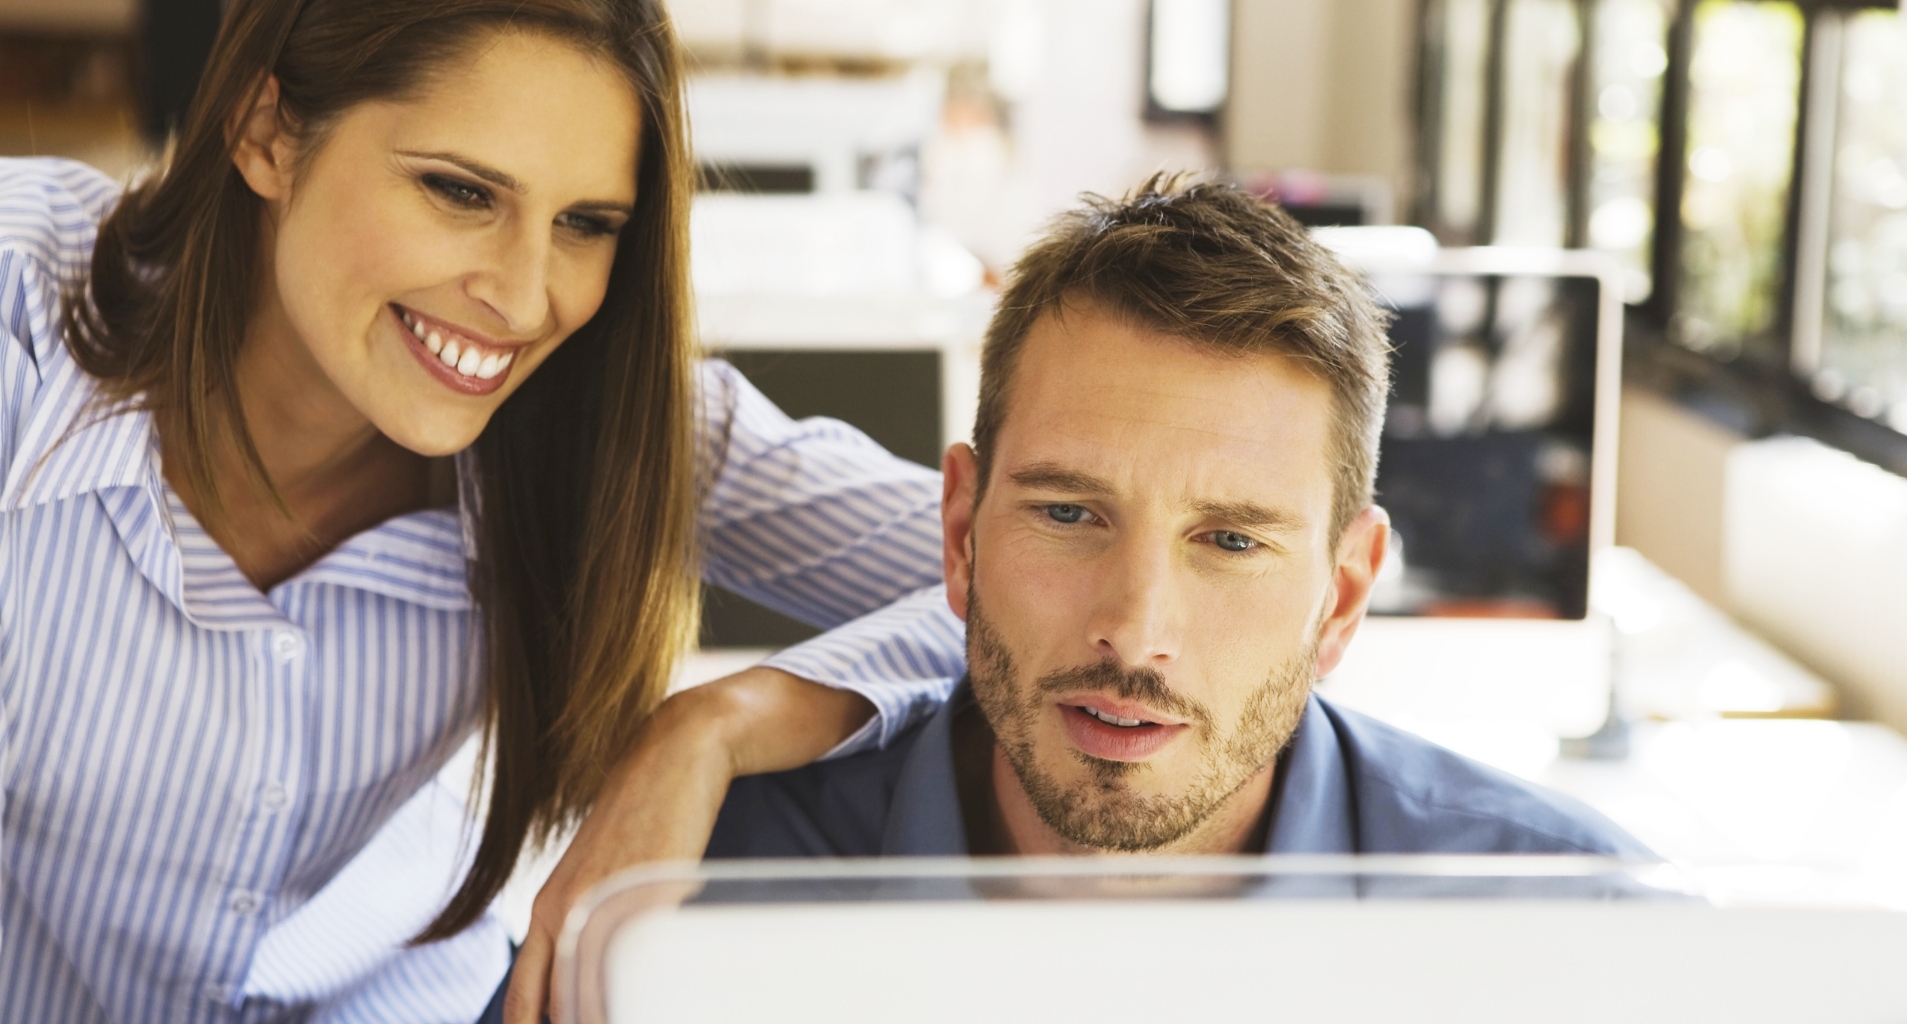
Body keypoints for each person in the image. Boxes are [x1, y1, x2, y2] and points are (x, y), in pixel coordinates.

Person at [0, 2, 961, 1021]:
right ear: (268, 131)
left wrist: (718, 722)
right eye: (460, 191)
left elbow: (1046, 587)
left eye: (586, 224)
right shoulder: (24, 313)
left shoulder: (610, 412)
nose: (522, 296)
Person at [707, 178, 1650, 862]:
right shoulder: (700, 888)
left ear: (1343, 594)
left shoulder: (1588, 935)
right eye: (1070, 513)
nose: (1135, 631)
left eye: (1233, 540)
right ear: (962, 534)